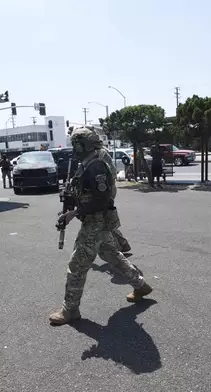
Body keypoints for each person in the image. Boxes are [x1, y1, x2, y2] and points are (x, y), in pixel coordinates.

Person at [49, 128, 152, 325]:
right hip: (97, 220)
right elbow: (86, 192)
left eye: (75, 144)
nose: (74, 149)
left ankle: (70, 310)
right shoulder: (88, 163)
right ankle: (141, 285)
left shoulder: (96, 166)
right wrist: (70, 203)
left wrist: (73, 213)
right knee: (111, 255)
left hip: (95, 221)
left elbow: (101, 200)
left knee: (77, 266)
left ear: (82, 145)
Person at [97, 142, 132, 257]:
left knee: (103, 221)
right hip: (107, 189)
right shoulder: (100, 152)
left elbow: (107, 173)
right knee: (106, 220)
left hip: (105, 190)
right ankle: (122, 243)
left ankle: (117, 248)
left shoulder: (98, 154)